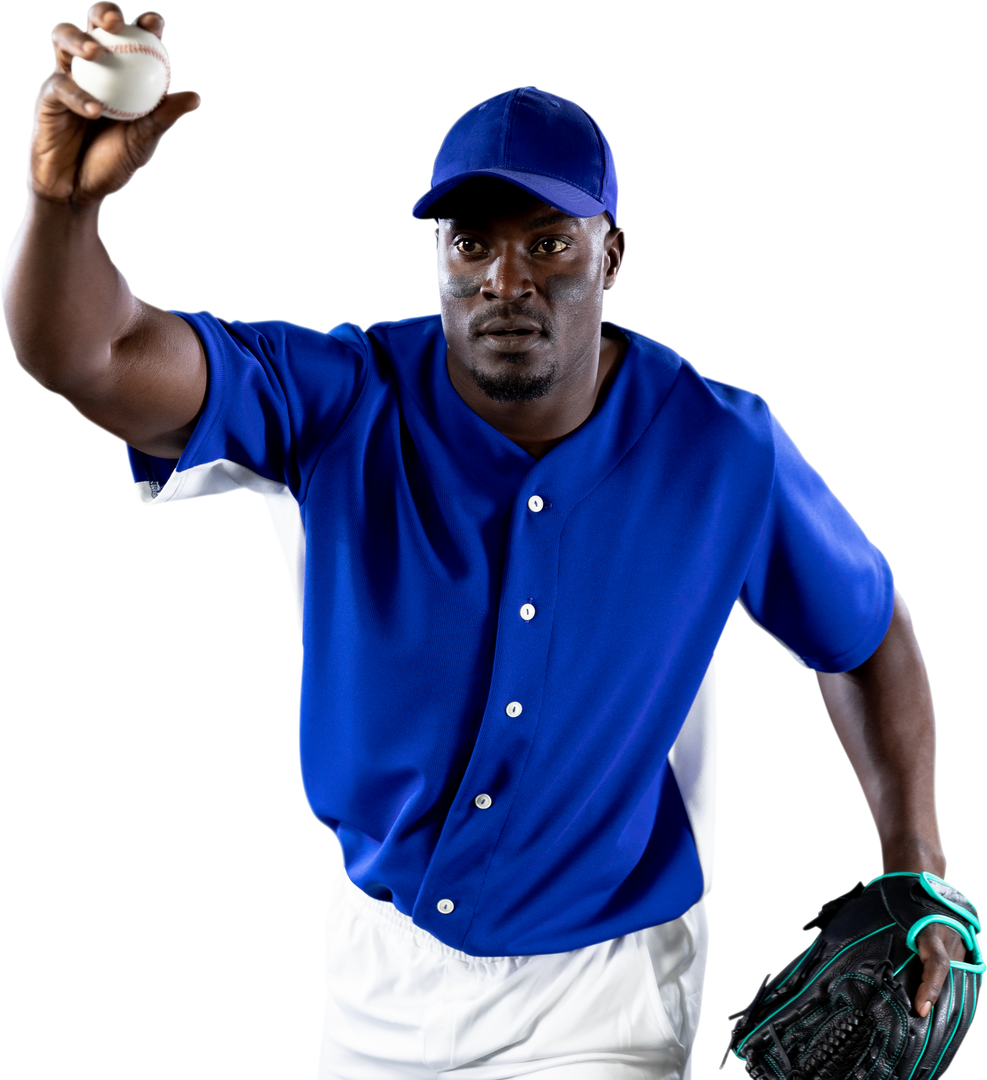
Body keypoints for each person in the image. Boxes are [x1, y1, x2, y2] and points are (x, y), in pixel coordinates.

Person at [2, 6, 971, 1078]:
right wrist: (62, 210)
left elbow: (866, 626)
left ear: (613, 256)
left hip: (604, 988)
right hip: (383, 966)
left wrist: (914, 864)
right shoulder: (339, 394)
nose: (505, 280)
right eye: (471, 243)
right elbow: (89, 356)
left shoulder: (720, 443)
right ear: (435, 256)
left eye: (548, 242)